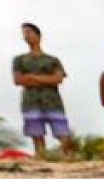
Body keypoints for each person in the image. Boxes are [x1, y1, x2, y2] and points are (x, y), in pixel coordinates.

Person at [12, 23, 75, 160]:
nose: (26, 36)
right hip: (31, 101)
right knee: (36, 134)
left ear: (38, 35)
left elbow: (58, 78)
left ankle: (69, 158)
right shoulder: (19, 60)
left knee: (63, 133)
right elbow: (18, 80)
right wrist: (46, 79)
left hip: (52, 101)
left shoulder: (52, 60)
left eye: (29, 32)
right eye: (24, 33)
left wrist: (32, 77)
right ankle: (41, 158)